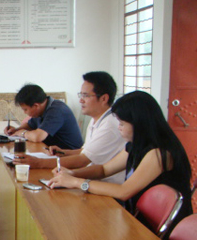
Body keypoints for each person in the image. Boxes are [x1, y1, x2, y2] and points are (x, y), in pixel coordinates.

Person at [48, 90, 192, 230]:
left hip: (160, 228)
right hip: (139, 218)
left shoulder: (159, 153)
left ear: (139, 124)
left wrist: (76, 182)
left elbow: (124, 192)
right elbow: (104, 169)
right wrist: (73, 174)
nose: (119, 128)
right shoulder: (136, 145)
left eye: (122, 123)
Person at [13, 72, 126, 183]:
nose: (81, 100)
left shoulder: (110, 125)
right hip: (88, 178)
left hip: (104, 184)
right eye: (80, 95)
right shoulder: (97, 119)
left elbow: (83, 160)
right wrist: (64, 152)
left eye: (85, 95)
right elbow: (85, 151)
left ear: (104, 99)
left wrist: (39, 163)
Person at [5, 84, 83, 150]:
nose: (24, 112)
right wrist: (16, 130)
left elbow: (38, 137)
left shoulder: (56, 110)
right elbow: (30, 125)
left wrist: (22, 133)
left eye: (25, 109)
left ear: (36, 106)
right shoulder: (42, 108)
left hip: (70, 155)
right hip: (53, 151)